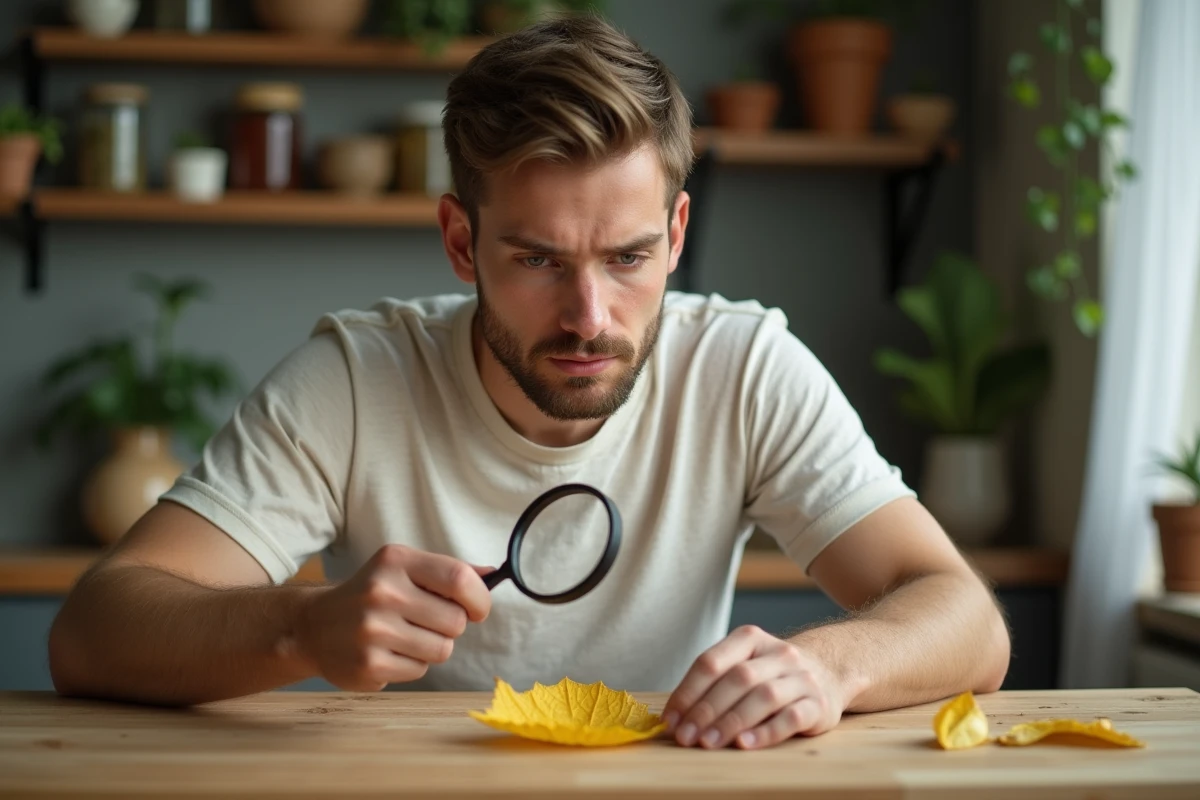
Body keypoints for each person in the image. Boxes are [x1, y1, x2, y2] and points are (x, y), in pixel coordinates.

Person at [48, 14, 1010, 751]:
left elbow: (967, 619)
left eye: (630, 257)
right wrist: (298, 628)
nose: (591, 316)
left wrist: (827, 667)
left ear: (676, 235)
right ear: (461, 242)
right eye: (540, 261)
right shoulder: (351, 380)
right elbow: (92, 633)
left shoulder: (745, 367)